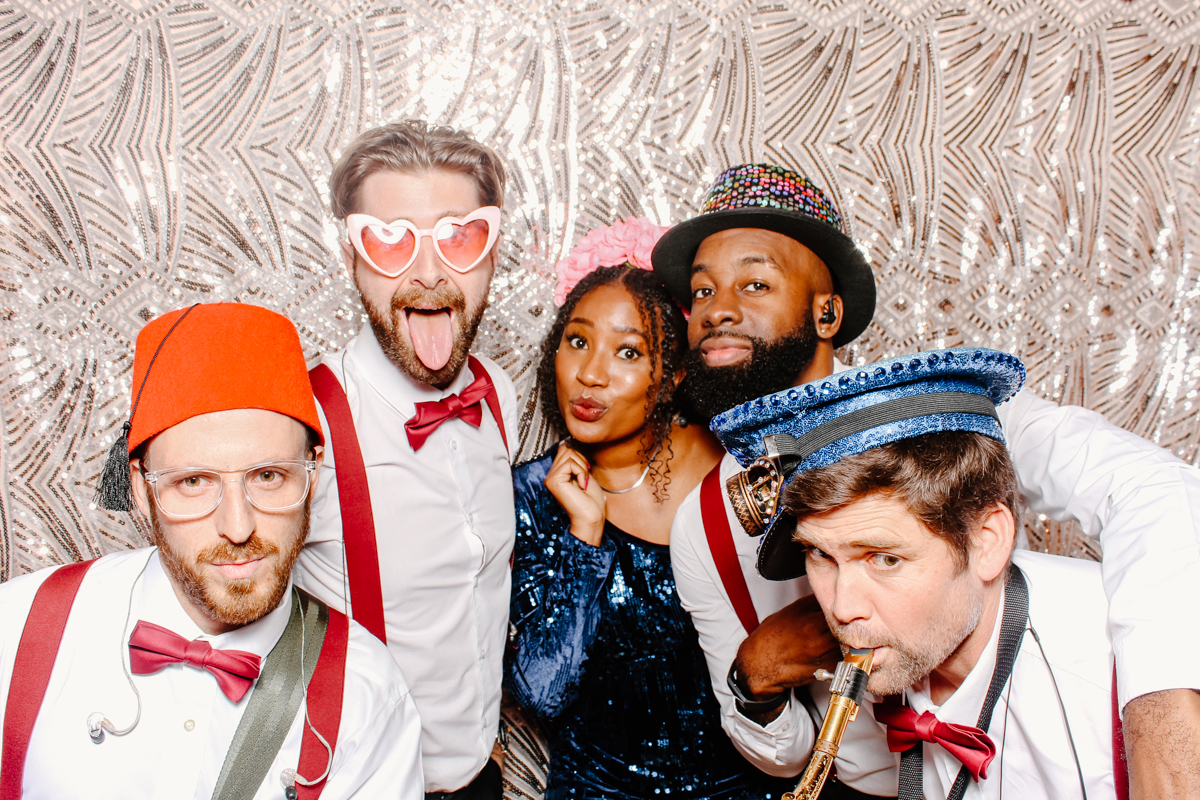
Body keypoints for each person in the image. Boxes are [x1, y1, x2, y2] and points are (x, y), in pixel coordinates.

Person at [654, 163, 1200, 797]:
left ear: (826, 312)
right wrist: (755, 678)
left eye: (754, 283)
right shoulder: (703, 524)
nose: (718, 310)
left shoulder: (940, 411)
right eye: (700, 292)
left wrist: (1161, 721)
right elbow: (783, 756)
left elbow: (1156, 494)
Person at [2, 302, 423, 799]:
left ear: (313, 472)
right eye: (194, 482)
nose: (238, 526)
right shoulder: (16, 628)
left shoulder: (368, 695)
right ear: (140, 487)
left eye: (268, 476)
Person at [708, 346, 1116, 799]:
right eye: (820, 555)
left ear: (987, 541)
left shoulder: (1109, 680)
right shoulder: (914, 643)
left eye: (885, 559)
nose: (842, 609)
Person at [507, 234, 792, 799]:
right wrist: (584, 538)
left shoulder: (743, 465)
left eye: (628, 351)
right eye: (577, 341)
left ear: (676, 373)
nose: (591, 374)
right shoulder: (535, 495)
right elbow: (542, 691)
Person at [295, 120, 518, 799]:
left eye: (459, 236)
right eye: (389, 242)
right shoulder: (302, 423)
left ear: (491, 253)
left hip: (483, 775)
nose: (427, 272)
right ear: (350, 259)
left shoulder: (499, 395)